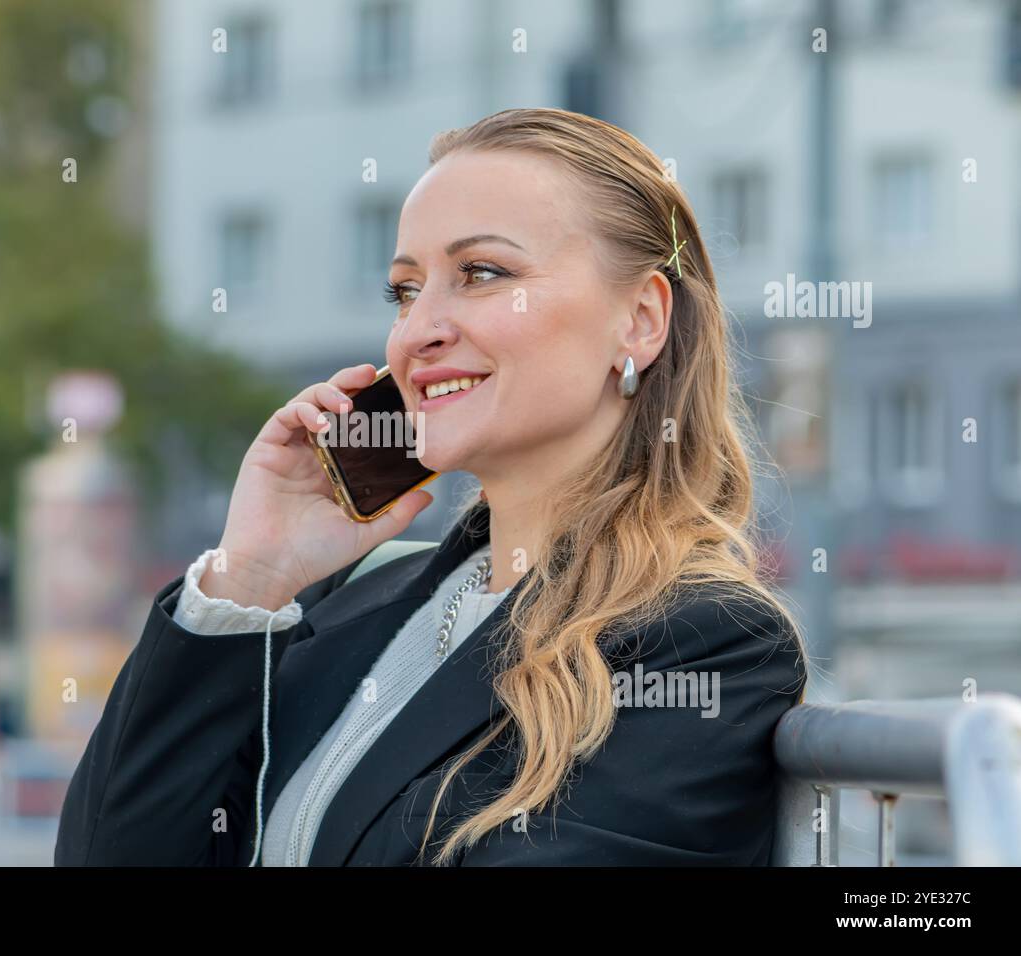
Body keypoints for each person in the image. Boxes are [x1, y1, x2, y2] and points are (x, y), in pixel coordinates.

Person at [55, 107, 809, 867]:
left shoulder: (698, 645)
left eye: (482, 274)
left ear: (641, 319)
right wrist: (250, 576)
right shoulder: (347, 607)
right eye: (405, 290)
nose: (418, 332)